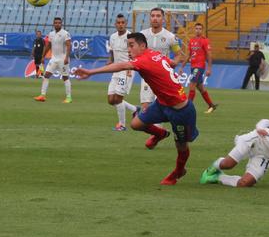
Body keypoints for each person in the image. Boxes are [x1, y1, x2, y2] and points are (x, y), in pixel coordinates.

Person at [74, 32, 197, 185]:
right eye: (127, 46)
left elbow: (121, 65)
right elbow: (170, 63)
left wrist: (91, 72)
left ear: (143, 45)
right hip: (162, 104)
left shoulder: (144, 59)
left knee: (181, 145)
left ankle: (178, 171)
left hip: (181, 110)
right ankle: (161, 134)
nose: (129, 50)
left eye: (131, 46)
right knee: (136, 124)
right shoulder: (155, 54)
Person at [139, 7, 183, 112]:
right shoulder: (142, 35)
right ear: (150, 18)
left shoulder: (170, 37)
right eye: (153, 16)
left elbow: (179, 54)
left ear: (163, 19)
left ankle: (160, 128)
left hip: (163, 78)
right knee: (145, 108)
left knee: (161, 108)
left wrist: (174, 63)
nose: (155, 18)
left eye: (158, 16)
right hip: (147, 77)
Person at [107, 14, 138, 131]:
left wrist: (130, 68)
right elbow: (111, 51)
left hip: (126, 70)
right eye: (118, 23)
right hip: (116, 69)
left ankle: (122, 125)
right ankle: (135, 109)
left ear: (125, 24)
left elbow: (134, 54)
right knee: (111, 100)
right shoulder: (113, 37)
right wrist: (109, 61)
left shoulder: (130, 38)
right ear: (115, 24)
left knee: (118, 98)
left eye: (122, 23)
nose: (120, 25)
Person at [181, 22, 217, 113]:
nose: (198, 30)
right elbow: (188, 55)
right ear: (194, 29)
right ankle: (211, 105)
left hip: (199, 67)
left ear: (202, 30)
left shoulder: (205, 40)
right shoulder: (191, 41)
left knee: (192, 85)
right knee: (201, 88)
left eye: (200, 29)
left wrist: (209, 68)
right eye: (196, 28)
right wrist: (182, 66)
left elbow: (209, 55)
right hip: (193, 67)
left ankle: (187, 109)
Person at [34, 17, 72, 103]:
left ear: (61, 24)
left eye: (59, 23)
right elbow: (48, 46)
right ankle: (42, 95)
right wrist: (43, 57)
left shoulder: (65, 34)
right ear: (53, 24)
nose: (57, 24)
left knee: (65, 77)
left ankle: (69, 97)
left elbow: (69, 45)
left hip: (62, 59)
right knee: (46, 75)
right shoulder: (51, 34)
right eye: (56, 23)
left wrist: (66, 57)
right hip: (53, 59)